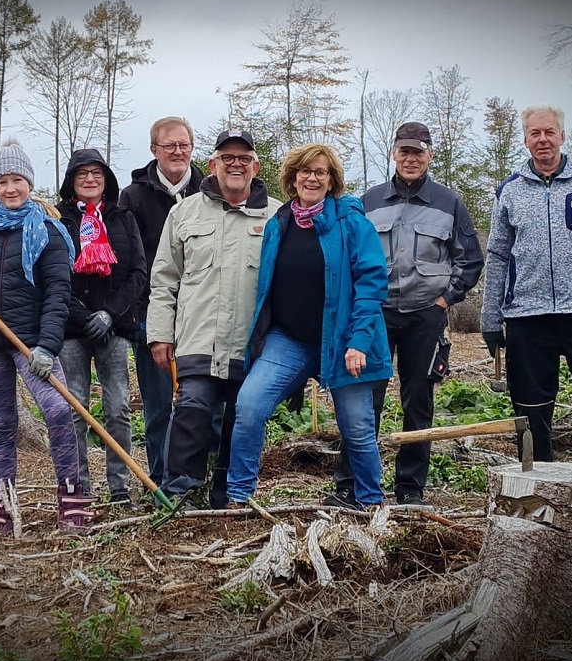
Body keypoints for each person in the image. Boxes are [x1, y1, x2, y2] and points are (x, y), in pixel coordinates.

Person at [326, 122, 485, 508]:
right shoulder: (370, 200)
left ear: (429, 156)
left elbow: (470, 259)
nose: (411, 159)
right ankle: (353, 486)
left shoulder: (449, 202)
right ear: (394, 154)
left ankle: (410, 488)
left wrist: (445, 301)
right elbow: (350, 257)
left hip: (425, 315)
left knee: (418, 402)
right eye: (404, 152)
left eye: (419, 153)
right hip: (375, 316)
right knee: (364, 400)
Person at [226, 144, 391, 509]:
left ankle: (371, 502)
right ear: (292, 178)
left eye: (320, 172)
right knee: (250, 405)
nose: (311, 178)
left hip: (344, 341)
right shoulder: (278, 224)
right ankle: (238, 496)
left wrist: (359, 341)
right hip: (290, 339)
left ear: (331, 180)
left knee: (357, 427)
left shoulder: (352, 224)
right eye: (304, 171)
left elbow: (372, 284)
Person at [480, 105, 572, 470]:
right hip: (528, 316)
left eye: (549, 132)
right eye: (534, 133)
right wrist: (490, 317)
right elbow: (497, 254)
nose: (542, 140)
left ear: (562, 135)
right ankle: (538, 483)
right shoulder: (509, 191)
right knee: (530, 409)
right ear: (525, 139)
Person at [147, 129, 281, 508]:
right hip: (198, 337)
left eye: (243, 158)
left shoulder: (276, 217)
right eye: (227, 157)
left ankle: (227, 495)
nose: (235, 164)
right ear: (213, 164)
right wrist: (159, 334)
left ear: (255, 165)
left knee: (241, 417)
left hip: (251, 344)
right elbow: (164, 279)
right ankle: (180, 492)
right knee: (192, 409)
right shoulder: (184, 213)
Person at [0, 137, 94, 534]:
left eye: (17, 179)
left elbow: (59, 295)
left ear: (30, 183)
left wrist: (47, 346)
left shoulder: (49, 232)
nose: (10, 188)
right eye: (2, 181)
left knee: (58, 411)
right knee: (2, 425)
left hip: (33, 344)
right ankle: (1, 505)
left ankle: (72, 496)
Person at [119, 116, 207, 486]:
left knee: (203, 405)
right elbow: (130, 261)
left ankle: (197, 478)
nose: (177, 152)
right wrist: (145, 317)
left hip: (203, 317)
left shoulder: (210, 190)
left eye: (184, 144)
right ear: (154, 150)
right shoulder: (133, 196)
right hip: (152, 316)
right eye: (169, 145)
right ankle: (160, 480)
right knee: (157, 407)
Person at [57, 148, 146, 505]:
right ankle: (78, 487)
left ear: (106, 178)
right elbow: (53, 275)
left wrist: (109, 314)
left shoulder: (122, 218)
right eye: (82, 174)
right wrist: (83, 316)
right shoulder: (59, 220)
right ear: (71, 181)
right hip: (72, 328)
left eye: (96, 173)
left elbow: (139, 272)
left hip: (114, 326)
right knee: (74, 407)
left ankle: (119, 486)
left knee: (118, 408)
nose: (90, 179)